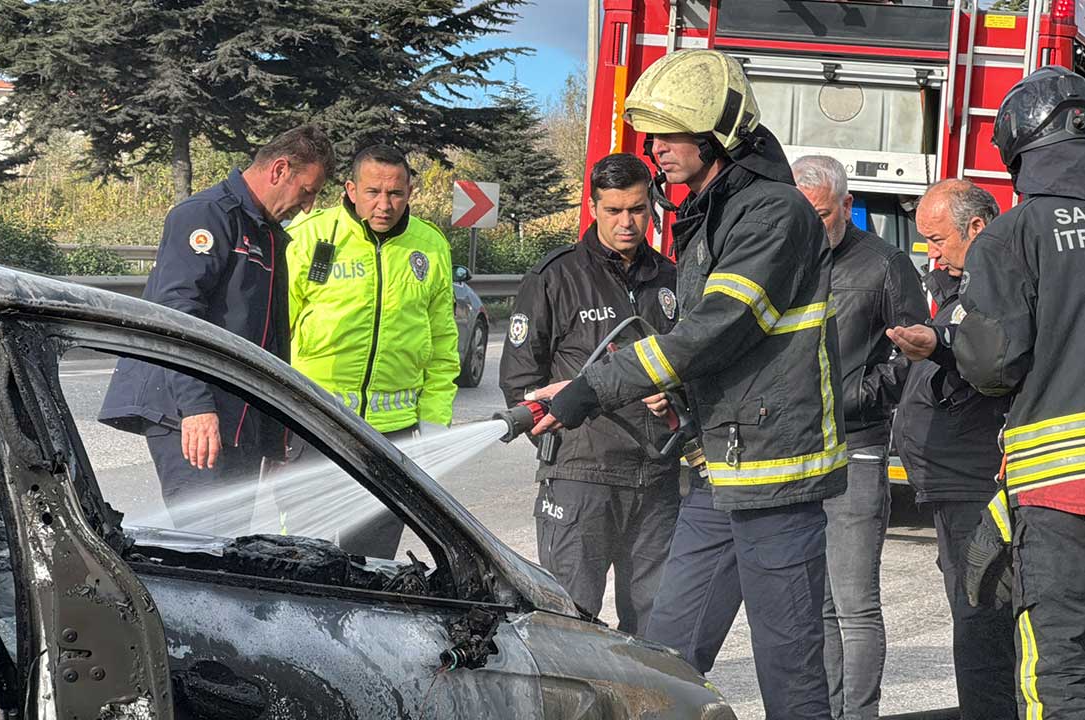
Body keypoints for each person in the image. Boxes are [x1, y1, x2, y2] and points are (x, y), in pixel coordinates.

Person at [532, 49, 845, 718]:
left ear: (720, 134)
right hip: (718, 476)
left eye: (672, 135)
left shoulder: (773, 214)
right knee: (664, 661)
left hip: (777, 481)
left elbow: (717, 330)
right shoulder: (712, 216)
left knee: (789, 673)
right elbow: (715, 357)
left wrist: (591, 388)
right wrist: (668, 394)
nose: (657, 151)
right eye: (654, 134)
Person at [889, 66, 1085, 719]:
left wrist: (952, 345)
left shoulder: (1013, 235)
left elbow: (994, 367)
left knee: (1058, 677)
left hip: (1063, 500)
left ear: (1020, 150)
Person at [99, 124, 335, 534]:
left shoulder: (268, 234)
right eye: (308, 191)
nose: (308, 206)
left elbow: (271, 340)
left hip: (238, 417)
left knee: (229, 542)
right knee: (203, 541)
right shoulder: (207, 216)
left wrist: (275, 435)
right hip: (188, 410)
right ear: (280, 170)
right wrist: (196, 407)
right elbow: (176, 315)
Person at [499, 153, 681, 636]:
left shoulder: (673, 280)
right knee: (570, 624)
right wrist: (563, 447)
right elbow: (520, 383)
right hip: (581, 481)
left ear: (652, 208)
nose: (627, 222)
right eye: (614, 210)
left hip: (658, 481)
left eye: (638, 210)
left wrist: (676, 401)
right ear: (593, 207)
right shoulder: (554, 277)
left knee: (656, 629)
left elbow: (697, 364)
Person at [793, 155, 927, 720]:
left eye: (822, 214)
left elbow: (915, 354)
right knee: (817, 605)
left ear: (847, 206)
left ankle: (860, 713)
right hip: (795, 448)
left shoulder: (887, 265)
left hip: (860, 445)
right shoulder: (778, 259)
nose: (811, 225)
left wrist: (857, 395)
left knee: (854, 605)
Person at [284, 143, 460, 556]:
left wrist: (435, 422)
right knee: (299, 556)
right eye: (373, 192)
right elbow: (274, 332)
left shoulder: (430, 246)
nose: (385, 204)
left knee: (373, 564)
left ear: (410, 192)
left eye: (396, 193)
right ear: (350, 188)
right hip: (314, 426)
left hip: (392, 436)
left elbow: (442, 343)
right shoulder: (309, 237)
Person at [891, 178, 1016, 719]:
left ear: (977, 228)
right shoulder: (956, 283)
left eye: (938, 239)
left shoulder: (1003, 285)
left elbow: (992, 366)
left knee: (981, 622)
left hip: (977, 479)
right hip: (948, 478)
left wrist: (939, 343)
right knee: (973, 619)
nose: (930, 252)